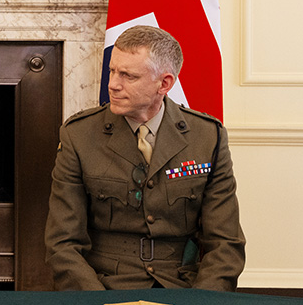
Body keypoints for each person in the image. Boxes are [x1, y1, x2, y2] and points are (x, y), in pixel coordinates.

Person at [45, 26, 246, 290]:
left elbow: (225, 243)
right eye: (113, 71)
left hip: (182, 286)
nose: (113, 84)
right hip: (105, 285)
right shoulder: (79, 135)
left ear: (164, 83)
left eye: (128, 75)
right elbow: (62, 243)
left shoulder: (207, 137)